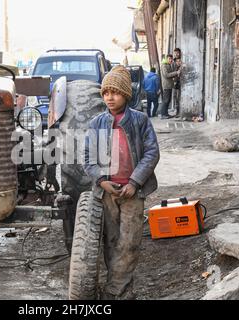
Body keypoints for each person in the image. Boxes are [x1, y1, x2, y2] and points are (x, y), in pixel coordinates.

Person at [84, 65, 160, 300]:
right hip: (107, 193)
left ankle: (114, 292)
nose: (109, 98)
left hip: (132, 193)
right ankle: (121, 288)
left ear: (126, 94)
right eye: (106, 93)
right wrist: (101, 180)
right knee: (111, 242)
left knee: (129, 243)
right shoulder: (96, 123)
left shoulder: (139, 121)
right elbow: (87, 158)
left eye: (115, 92)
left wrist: (135, 183)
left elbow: (152, 153)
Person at [159, 54, 180, 119]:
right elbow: (166, 75)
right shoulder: (164, 66)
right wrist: (176, 72)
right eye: (169, 59)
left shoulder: (168, 65)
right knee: (166, 100)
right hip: (166, 85)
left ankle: (166, 114)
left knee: (168, 100)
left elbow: (171, 75)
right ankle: (163, 115)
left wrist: (176, 73)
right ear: (166, 59)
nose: (171, 60)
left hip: (169, 85)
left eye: (171, 59)